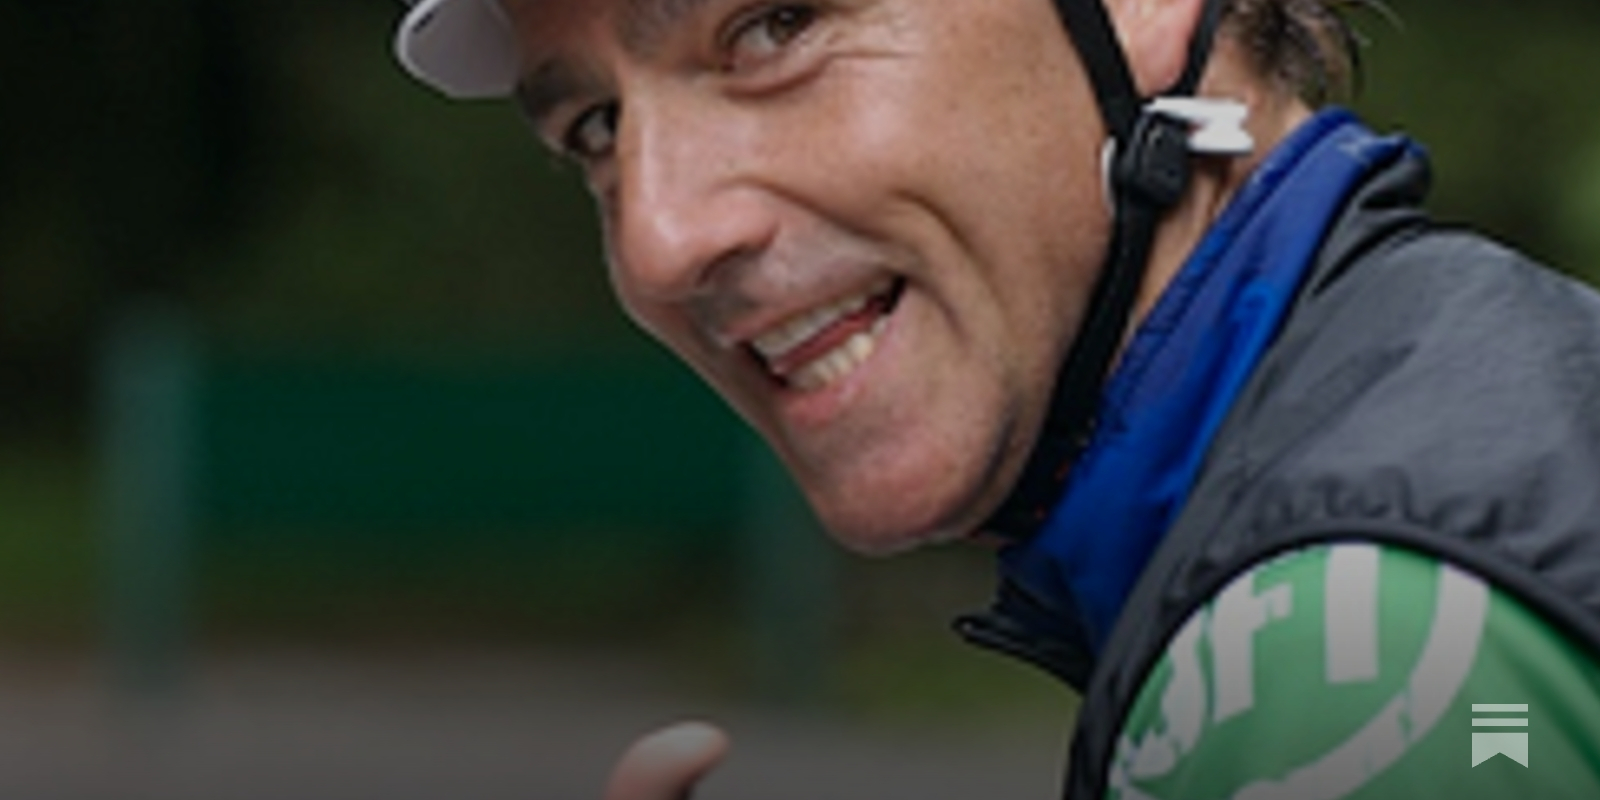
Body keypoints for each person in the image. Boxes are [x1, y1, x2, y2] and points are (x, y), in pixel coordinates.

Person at [390, 0, 1600, 797]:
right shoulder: (1463, 386)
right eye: (597, 127)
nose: (656, 241)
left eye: (773, 27)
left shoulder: (1346, 655)